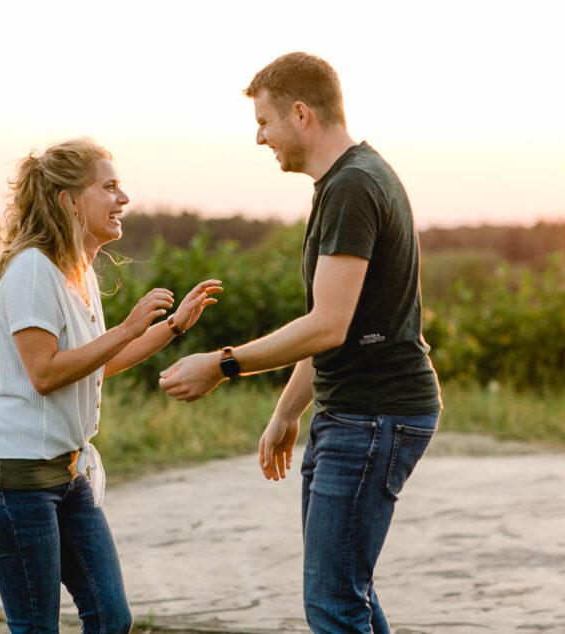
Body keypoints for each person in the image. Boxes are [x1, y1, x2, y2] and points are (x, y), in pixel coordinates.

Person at [159, 53, 441, 633]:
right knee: (347, 595)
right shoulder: (348, 179)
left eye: (263, 122)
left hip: (373, 415)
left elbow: (326, 325)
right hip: (355, 412)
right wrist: (287, 413)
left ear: (300, 113)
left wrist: (222, 362)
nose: (259, 138)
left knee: (334, 604)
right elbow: (332, 323)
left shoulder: (354, 186)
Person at [0, 137, 222, 634]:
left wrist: (172, 327)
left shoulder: (76, 272)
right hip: (12, 484)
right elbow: (45, 374)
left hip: (66, 476)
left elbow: (97, 363)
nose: (123, 199)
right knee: (38, 628)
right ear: (70, 201)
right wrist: (127, 327)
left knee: (111, 617)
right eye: (109, 187)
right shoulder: (32, 271)